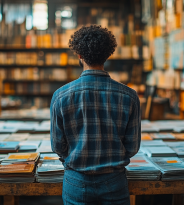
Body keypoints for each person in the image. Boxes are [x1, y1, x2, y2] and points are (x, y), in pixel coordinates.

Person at [50, 25, 141, 205]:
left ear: (79, 55)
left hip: (76, 180)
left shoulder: (61, 95)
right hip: (114, 180)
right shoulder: (129, 96)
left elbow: (58, 145)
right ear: (107, 55)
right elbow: (132, 147)